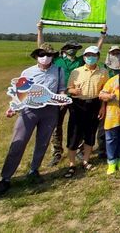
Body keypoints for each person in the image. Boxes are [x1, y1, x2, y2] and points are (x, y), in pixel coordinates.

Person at [0, 43, 66, 195]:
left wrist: (62, 97)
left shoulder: (59, 70)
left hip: (50, 112)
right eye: (41, 55)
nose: (45, 58)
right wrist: (14, 107)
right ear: (36, 56)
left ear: (53, 57)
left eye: (49, 55)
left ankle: (34, 170)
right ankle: (6, 177)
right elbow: (20, 92)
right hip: (29, 111)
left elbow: (61, 88)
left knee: (42, 142)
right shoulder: (27, 72)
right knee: (18, 142)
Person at [37, 21, 106, 167]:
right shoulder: (57, 60)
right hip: (60, 97)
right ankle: (57, 152)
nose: (73, 50)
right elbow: (41, 49)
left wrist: (102, 35)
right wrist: (40, 30)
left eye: (75, 48)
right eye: (70, 48)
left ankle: (79, 149)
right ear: (64, 49)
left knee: (78, 125)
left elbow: (95, 51)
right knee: (57, 125)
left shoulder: (81, 61)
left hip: (77, 100)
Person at [63, 46, 109, 178]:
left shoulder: (103, 72)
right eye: (88, 55)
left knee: (90, 133)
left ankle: (86, 161)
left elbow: (104, 91)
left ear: (98, 57)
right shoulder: (76, 72)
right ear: (83, 57)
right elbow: (69, 89)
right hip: (78, 105)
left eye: (93, 55)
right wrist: (73, 91)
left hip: (94, 104)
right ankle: (71, 164)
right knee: (74, 134)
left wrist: (102, 107)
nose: (90, 58)